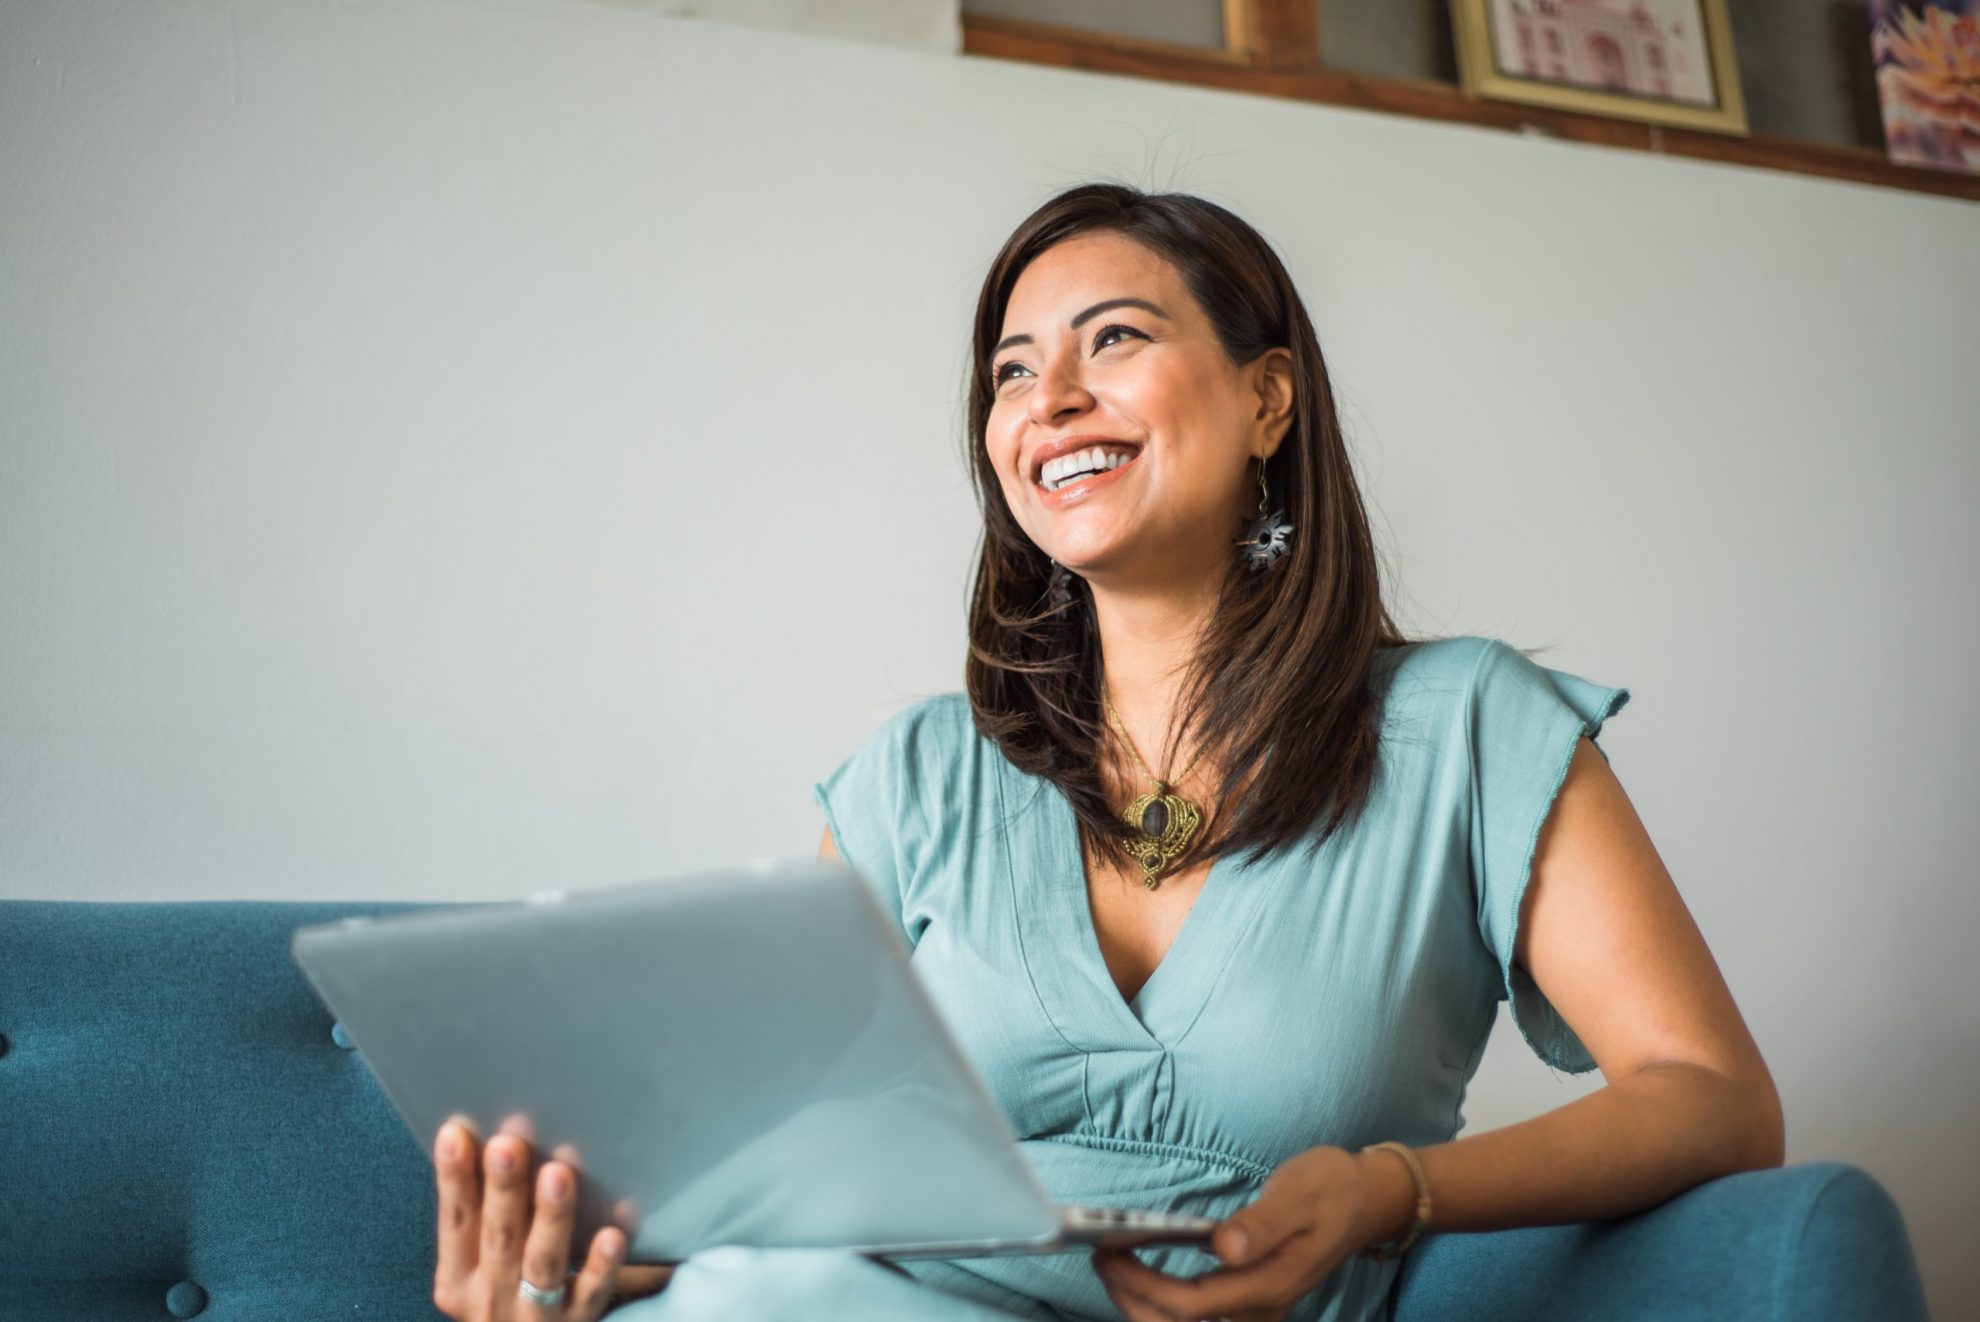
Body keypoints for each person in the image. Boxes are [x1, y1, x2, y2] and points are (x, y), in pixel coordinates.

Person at [423, 183, 1785, 1321]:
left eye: (1111, 339)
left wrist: (1389, 1189)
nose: (1050, 399)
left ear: (1268, 400)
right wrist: (568, 1272)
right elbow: (784, 1192)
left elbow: (1715, 1098)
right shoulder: (919, 778)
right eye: (1012, 372)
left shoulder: (1468, 725)